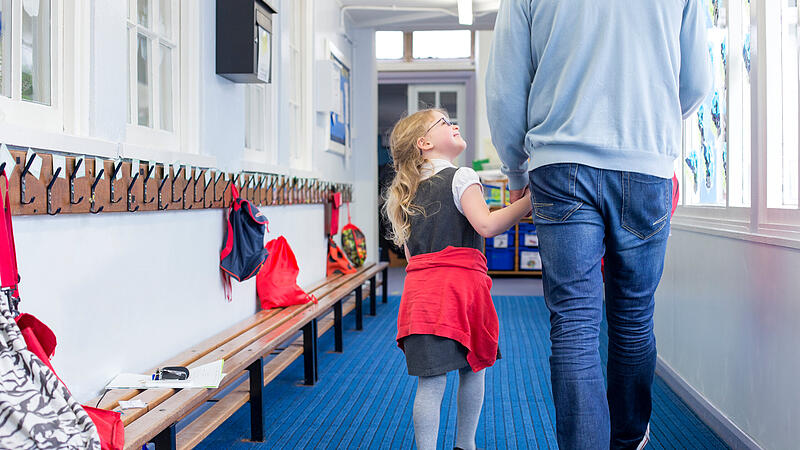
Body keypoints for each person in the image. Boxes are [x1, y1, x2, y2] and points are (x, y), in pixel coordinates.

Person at [485, 0, 711, 449]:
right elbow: (696, 83)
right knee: (632, 319)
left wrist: (514, 170)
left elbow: (505, 87)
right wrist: (651, 126)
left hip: (560, 162)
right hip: (646, 163)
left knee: (573, 322)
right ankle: (628, 440)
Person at [383, 109, 532, 450]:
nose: (454, 125)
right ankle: (466, 445)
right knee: (473, 369)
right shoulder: (461, 176)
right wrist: (528, 203)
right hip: (462, 293)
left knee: (430, 382)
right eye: (444, 123)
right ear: (424, 143)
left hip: (421, 297)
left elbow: (411, 258)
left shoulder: (404, 193)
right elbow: (487, 225)